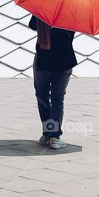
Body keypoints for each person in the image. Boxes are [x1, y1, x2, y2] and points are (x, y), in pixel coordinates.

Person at [28, 14, 76, 150]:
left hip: (44, 57)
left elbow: (32, 25)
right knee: (57, 97)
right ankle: (54, 137)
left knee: (42, 95)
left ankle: (48, 134)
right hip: (64, 58)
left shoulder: (43, 8)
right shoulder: (73, 11)